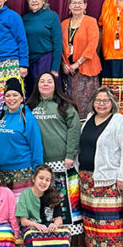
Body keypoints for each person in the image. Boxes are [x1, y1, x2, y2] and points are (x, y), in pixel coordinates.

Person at [78, 86, 123, 247]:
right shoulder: (88, 119)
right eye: (98, 100)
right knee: (95, 216)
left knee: (111, 217)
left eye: (105, 101)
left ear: (112, 103)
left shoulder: (119, 120)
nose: (101, 104)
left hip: (110, 177)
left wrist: (122, 176)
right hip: (88, 177)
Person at [26, 72, 83, 235]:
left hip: (62, 162)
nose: (45, 84)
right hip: (40, 164)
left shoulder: (65, 105)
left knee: (64, 203)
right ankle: (47, 240)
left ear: (55, 85)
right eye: (41, 81)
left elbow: (74, 129)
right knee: (45, 203)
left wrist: (70, 154)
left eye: (49, 81)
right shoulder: (31, 107)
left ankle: (66, 241)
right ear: (37, 85)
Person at [15, 165, 72, 247]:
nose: (44, 182)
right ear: (34, 178)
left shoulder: (53, 195)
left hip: (47, 225)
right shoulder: (25, 194)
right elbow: (23, 220)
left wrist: (55, 224)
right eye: (41, 178)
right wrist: (36, 225)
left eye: (47, 180)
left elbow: (59, 219)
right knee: (31, 234)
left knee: (64, 233)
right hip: (31, 225)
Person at [0, 77, 43, 199]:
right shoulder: (1, 116)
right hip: (1, 172)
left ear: (22, 98)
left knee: (21, 211)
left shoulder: (27, 118)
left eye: (15, 95)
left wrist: (37, 174)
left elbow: (36, 147)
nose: (11, 99)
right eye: (8, 95)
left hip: (22, 173)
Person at [60, 0, 101, 119]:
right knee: (70, 104)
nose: (76, 6)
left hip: (86, 69)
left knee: (86, 105)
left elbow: (92, 46)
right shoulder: (64, 24)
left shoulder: (91, 21)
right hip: (69, 72)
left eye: (80, 3)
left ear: (85, 5)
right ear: (69, 6)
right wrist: (64, 64)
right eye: (74, 3)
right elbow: (60, 46)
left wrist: (77, 64)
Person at [21, 0, 62, 91]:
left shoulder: (52, 16)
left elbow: (58, 45)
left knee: (46, 92)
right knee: (32, 93)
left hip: (46, 60)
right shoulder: (25, 18)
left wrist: (55, 69)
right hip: (30, 62)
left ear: (43, 1)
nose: (34, 1)